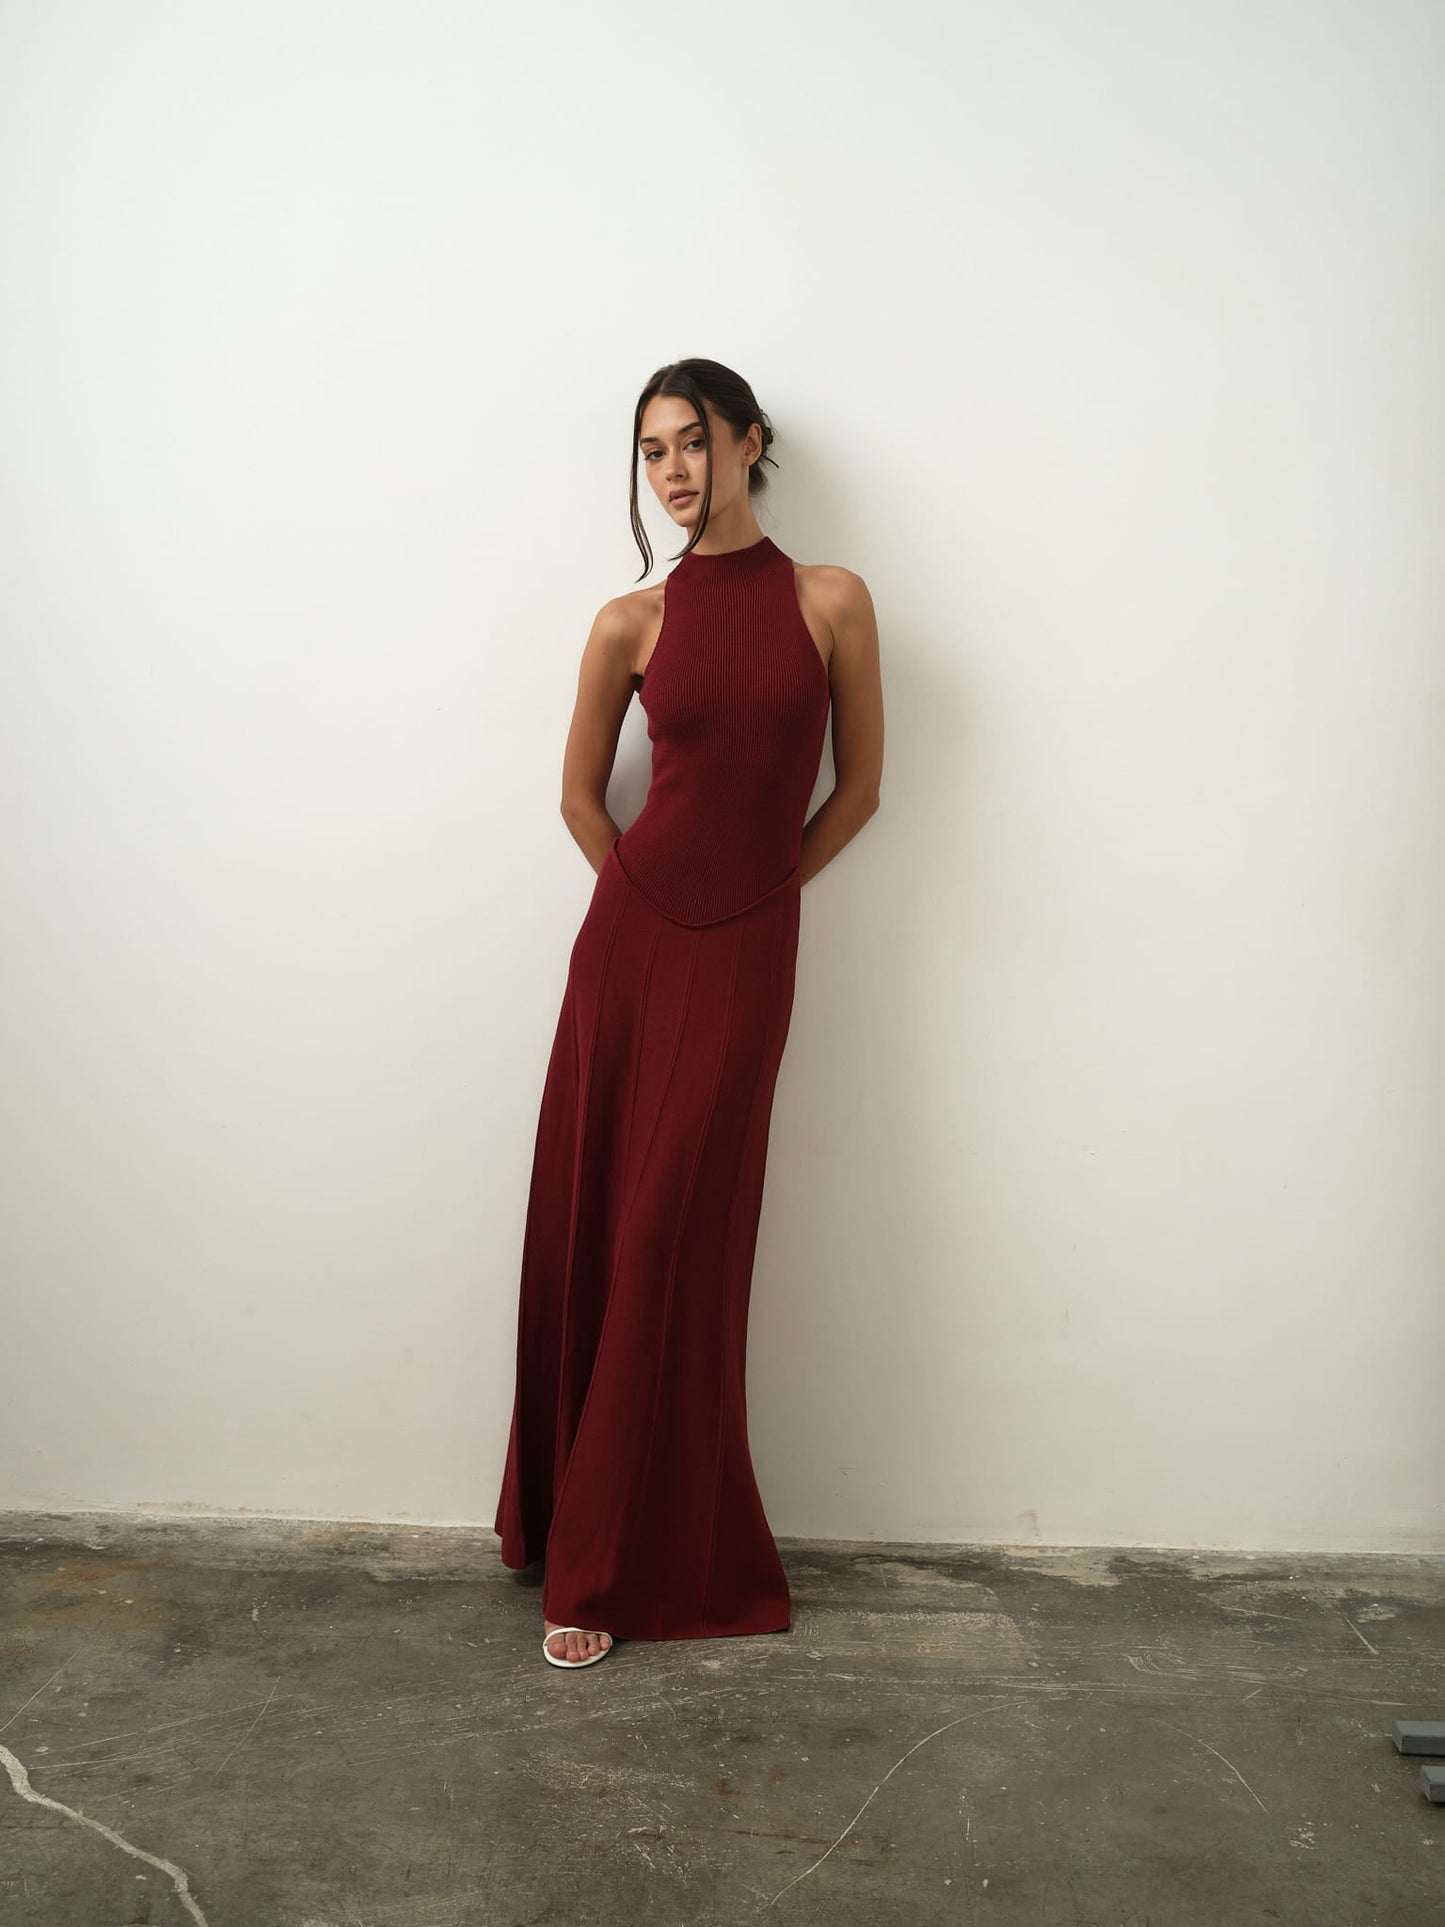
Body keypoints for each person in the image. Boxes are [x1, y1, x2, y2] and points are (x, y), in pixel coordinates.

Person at [493, 357, 884, 1668]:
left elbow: (860, 790)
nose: (669, 470)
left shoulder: (830, 602)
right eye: (650, 452)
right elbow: (576, 799)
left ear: (750, 444)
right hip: (627, 949)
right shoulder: (628, 621)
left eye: (691, 444)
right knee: (609, 1227)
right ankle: (585, 1545)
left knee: (673, 1240)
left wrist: (759, 898)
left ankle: (632, 1552)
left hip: (747, 952)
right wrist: (654, 911)